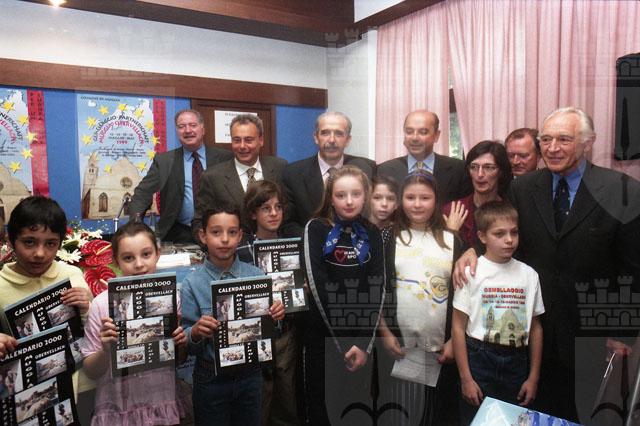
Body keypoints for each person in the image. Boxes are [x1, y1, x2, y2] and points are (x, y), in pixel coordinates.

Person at [453, 107, 640, 422]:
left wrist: (622, 330)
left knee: (580, 414)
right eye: (546, 139)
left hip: (588, 334)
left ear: (588, 142)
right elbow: (505, 233)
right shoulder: (523, 188)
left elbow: (633, 267)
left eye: (564, 139)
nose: (552, 148)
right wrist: (471, 250)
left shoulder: (622, 190)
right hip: (530, 333)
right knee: (528, 415)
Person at [181, 204, 285, 426]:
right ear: (203, 236)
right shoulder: (192, 284)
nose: (224, 239)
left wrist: (276, 317)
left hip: (250, 375)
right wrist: (196, 332)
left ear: (240, 236)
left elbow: (270, 332)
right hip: (210, 378)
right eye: (216, 232)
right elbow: (186, 341)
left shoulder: (257, 276)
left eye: (232, 232)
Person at [81, 221, 188, 425]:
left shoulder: (172, 298)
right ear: (116, 261)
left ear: (157, 254)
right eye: (128, 257)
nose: (139, 264)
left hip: (161, 399)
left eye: (146, 254)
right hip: (118, 406)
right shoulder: (101, 305)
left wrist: (180, 343)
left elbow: (179, 360)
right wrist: (105, 350)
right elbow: (91, 371)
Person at [377, 170, 461, 425]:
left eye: (425, 198)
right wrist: (385, 333)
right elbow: (376, 289)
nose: (417, 204)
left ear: (436, 200)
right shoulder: (389, 237)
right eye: (410, 197)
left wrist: (454, 341)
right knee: (399, 415)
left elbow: (463, 297)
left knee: (435, 416)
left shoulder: (452, 240)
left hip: (440, 350)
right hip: (399, 348)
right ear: (401, 200)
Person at [303, 165, 385, 425]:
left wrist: (361, 343)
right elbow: (318, 287)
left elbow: (377, 288)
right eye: (341, 195)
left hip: (360, 341)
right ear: (330, 198)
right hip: (324, 339)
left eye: (356, 194)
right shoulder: (316, 228)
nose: (349, 201)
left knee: (356, 412)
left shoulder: (372, 232)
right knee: (322, 412)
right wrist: (343, 343)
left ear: (365, 196)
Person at [0, 196, 94, 417]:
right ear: (11, 241)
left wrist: (87, 308)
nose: (40, 253)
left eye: (50, 243)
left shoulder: (72, 275)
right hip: (27, 398)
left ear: (60, 243)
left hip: (80, 386)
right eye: (29, 242)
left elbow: (90, 331)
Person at [452, 201, 544, 424]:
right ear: (482, 236)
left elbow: (535, 328)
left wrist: (533, 377)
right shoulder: (471, 272)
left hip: (516, 361)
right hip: (479, 359)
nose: (509, 239)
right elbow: (457, 327)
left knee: (511, 420)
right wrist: (466, 378)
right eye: (499, 234)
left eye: (514, 232)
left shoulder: (529, 275)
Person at [237, 180, 299, 426]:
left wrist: (301, 290)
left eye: (278, 207)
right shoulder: (242, 250)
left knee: (286, 399)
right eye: (266, 208)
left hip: (285, 334)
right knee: (259, 401)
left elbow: (299, 292)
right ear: (253, 213)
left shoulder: (292, 246)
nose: (274, 213)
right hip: (254, 336)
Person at [129, 109, 233, 244]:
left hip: (219, 232)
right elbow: (142, 194)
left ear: (203, 129)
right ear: (177, 131)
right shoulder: (164, 161)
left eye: (193, 125)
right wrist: (136, 226)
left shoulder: (225, 158)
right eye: (181, 126)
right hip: (178, 233)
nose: (187, 130)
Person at [281, 111, 376, 237]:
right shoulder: (292, 173)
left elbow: (373, 215)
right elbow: (288, 224)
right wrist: (317, 239)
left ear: (348, 139)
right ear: (316, 137)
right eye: (325, 133)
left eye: (339, 133)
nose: (331, 140)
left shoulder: (367, 168)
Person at [193, 114, 287, 236]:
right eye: (237, 140)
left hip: (274, 244)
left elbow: (288, 212)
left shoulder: (280, 168)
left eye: (248, 140)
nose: (242, 146)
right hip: (231, 247)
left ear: (261, 140)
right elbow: (199, 222)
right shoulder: (212, 177)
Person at [377, 109, 471, 204]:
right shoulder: (385, 170)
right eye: (409, 132)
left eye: (423, 132)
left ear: (436, 135)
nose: (415, 138)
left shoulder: (459, 170)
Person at [443, 141, 513, 249]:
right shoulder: (452, 210)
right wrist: (451, 233)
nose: (479, 174)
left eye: (488, 167)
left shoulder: (511, 210)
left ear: (501, 172)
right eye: (474, 167)